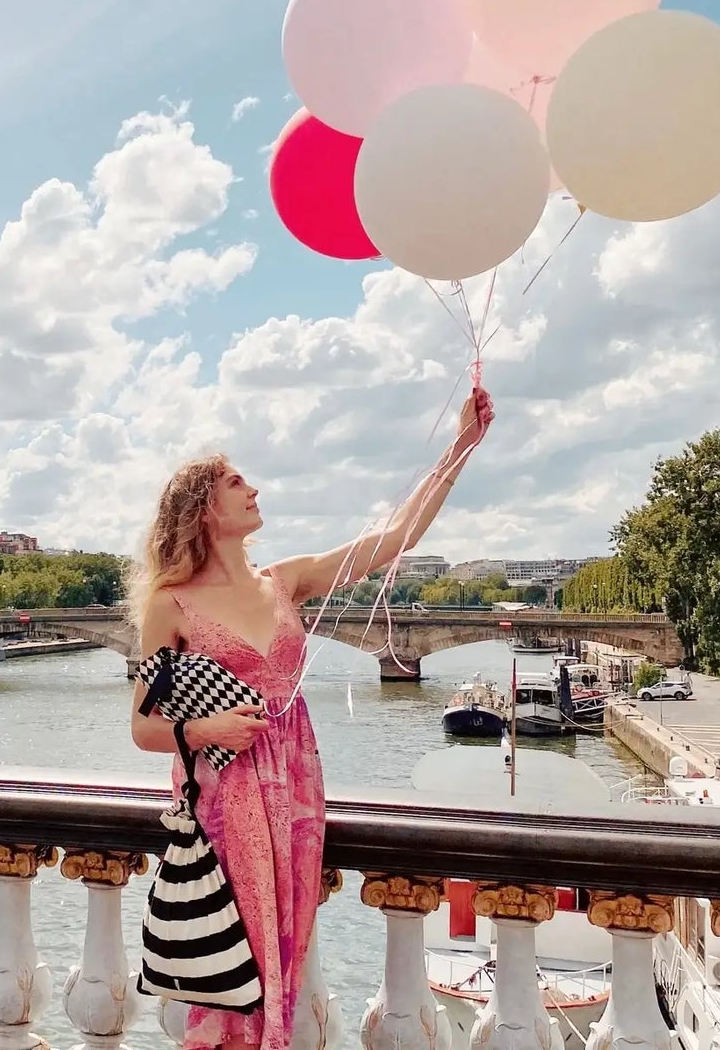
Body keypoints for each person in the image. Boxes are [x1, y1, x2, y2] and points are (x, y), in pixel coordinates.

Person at [130, 388, 494, 1050]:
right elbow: (142, 727)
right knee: (239, 963)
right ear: (203, 509)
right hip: (227, 793)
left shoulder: (285, 580)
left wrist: (461, 443)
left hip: (295, 785)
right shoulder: (171, 605)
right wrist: (209, 729)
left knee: (285, 956)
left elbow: (396, 538)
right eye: (236, 482)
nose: (254, 488)